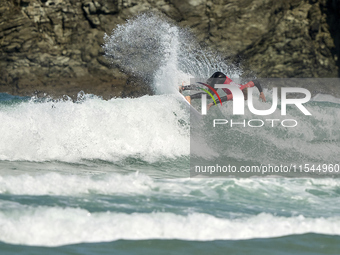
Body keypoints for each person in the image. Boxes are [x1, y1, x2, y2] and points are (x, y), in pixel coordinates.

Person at [180, 72, 266, 110]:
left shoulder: (246, 86)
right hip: (220, 79)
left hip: (220, 74)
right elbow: (223, 98)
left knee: (205, 87)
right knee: (209, 95)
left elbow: (256, 82)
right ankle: (189, 97)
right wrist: (211, 104)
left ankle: (183, 87)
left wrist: (261, 92)